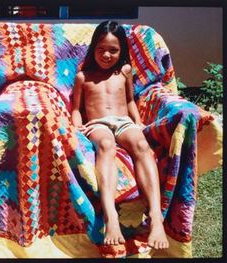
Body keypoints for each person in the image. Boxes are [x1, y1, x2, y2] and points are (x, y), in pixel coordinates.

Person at [71, 21, 169, 250]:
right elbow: (76, 109)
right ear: (93, 48)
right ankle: (110, 216)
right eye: (101, 49)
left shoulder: (125, 71)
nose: (106, 55)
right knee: (106, 144)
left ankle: (155, 217)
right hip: (97, 124)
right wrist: (77, 127)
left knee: (142, 145)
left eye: (113, 50)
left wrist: (138, 122)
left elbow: (129, 101)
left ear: (122, 51)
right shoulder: (83, 77)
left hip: (123, 122)